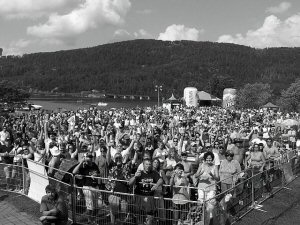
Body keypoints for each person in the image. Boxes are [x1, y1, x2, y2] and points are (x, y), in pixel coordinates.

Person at [129, 158, 163, 224]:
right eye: (146, 164)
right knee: (140, 220)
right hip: (139, 197)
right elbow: (130, 183)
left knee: (149, 220)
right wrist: (135, 177)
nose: (148, 166)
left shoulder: (153, 173)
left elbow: (160, 180)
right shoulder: (139, 173)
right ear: (143, 165)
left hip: (150, 198)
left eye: (149, 164)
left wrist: (156, 185)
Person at [73, 152, 100, 225]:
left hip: (95, 187)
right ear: (85, 158)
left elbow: (99, 173)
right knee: (90, 207)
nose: (89, 158)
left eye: (91, 157)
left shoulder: (94, 165)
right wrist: (81, 162)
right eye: (88, 157)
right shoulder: (83, 166)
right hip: (87, 187)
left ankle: (93, 220)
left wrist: (96, 175)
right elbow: (74, 172)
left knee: (98, 206)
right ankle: (89, 220)